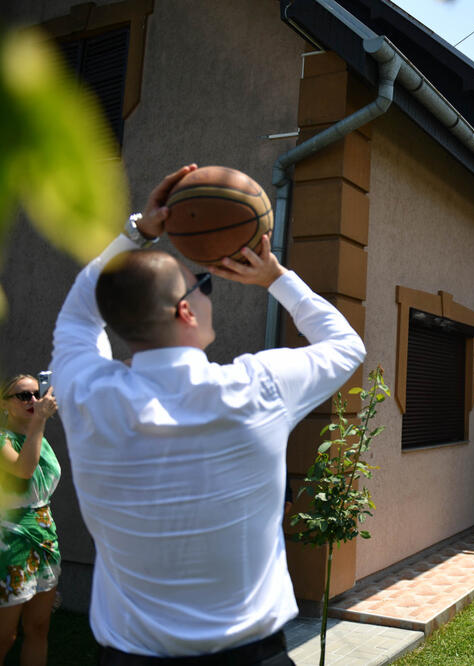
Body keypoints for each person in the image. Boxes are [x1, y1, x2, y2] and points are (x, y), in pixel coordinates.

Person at [50, 165, 367, 662]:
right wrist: (276, 277)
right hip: (253, 656)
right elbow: (346, 346)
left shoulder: (87, 394)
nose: (207, 292)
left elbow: (78, 310)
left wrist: (139, 230)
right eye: (203, 286)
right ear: (185, 311)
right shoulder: (257, 388)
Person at [0, 375, 60, 665]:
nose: (33, 401)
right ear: (4, 405)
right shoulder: (2, 440)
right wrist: (40, 421)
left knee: (38, 628)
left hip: (45, 538)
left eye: (36, 393)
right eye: (23, 396)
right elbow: (24, 470)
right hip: (10, 542)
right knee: (5, 635)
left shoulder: (39, 439)